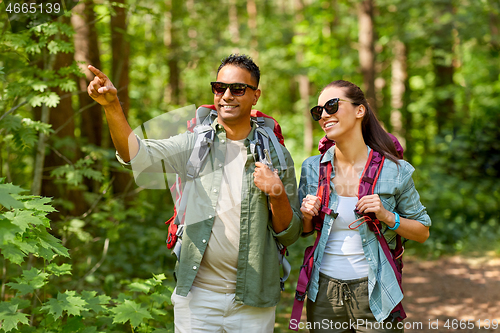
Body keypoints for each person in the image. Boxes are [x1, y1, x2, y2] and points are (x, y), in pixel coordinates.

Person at [87, 54, 302, 332]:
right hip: (197, 297)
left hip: (254, 299)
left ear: (255, 96)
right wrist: (112, 106)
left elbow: (290, 232)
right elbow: (136, 155)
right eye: (219, 87)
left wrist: (277, 193)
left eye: (237, 89)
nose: (226, 96)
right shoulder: (195, 144)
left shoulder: (275, 155)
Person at [299, 80, 431, 332]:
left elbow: (423, 231)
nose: (325, 115)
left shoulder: (395, 170)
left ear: (360, 111)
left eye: (332, 105)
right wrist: (307, 215)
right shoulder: (311, 168)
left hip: (377, 291)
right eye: (319, 111)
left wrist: (387, 216)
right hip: (324, 293)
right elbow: (305, 231)